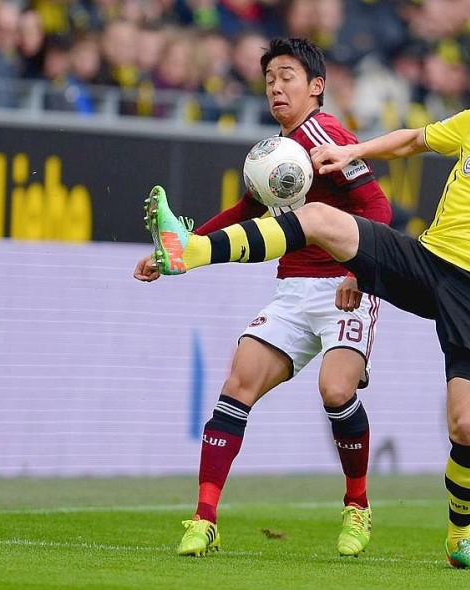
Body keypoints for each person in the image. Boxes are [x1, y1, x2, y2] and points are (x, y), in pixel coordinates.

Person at [139, 44, 470, 572]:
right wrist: (355, 152)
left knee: (465, 427)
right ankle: (192, 251)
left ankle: (460, 539)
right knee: (322, 218)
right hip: (426, 260)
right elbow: (415, 140)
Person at [134, 38, 392, 558]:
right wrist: (179, 251)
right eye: (270, 77)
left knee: (336, 390)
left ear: (316, 87)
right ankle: (204, 519)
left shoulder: (326, 135)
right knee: (237, 385)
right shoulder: (276, 153)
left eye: (288, 76)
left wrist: (360, 274)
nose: (276, 86)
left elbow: (379, 209)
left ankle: (358, 506)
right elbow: (244, 213)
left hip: (346, 285)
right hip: (294, 288)